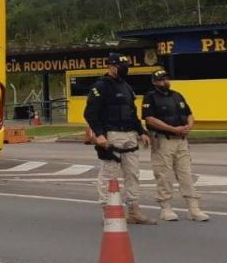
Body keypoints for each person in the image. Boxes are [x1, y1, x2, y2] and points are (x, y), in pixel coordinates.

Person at [83, 52, 156, 225]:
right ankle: (109, 211)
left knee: (133, 174)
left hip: (130, 134)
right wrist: (99, 135)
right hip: (111, 135)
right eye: (121, 67)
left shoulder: (126, 86)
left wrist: (142, 132)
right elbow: (90, 113)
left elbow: (132, 113)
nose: (125, 70)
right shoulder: (100, 86)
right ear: (111, 66)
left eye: (126, 67)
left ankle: (134, 211)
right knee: (110, 175)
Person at [142, 69, 209, 222]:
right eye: (160, 80)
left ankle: (194, 208)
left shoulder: (177, 95)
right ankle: (166, 208)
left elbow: (189, 114)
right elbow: (149, 119)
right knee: (163, 174)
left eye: (166, 79)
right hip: (163, 140)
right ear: (154, 82)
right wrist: (172, 129)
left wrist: (188, 126)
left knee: (186, 174)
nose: (164, 82)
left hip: (181, 141)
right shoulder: (150, 97)